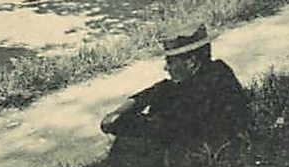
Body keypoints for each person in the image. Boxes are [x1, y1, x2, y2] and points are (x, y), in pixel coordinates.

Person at [100, 26, 249, 152]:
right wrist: (124, 109)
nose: (166, 67)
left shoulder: (210, 84)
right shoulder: (208, 72)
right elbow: (156, 91)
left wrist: (121, 122)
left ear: (191, 62)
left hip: (204, 158)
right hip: (194, 149)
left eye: (170, 61)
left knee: (128, 146)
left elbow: (162, 127)